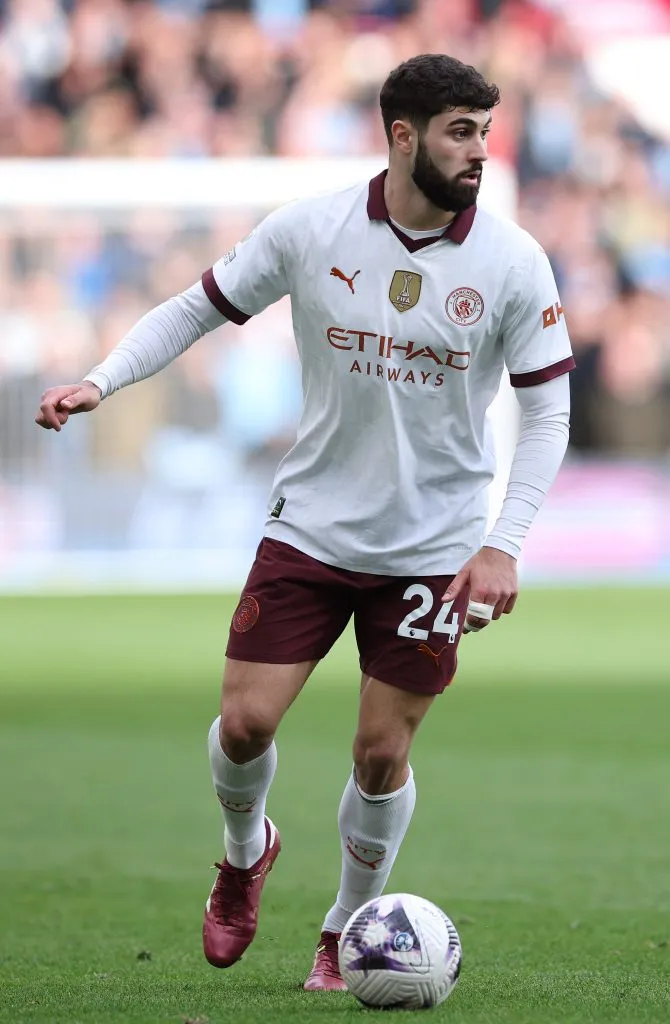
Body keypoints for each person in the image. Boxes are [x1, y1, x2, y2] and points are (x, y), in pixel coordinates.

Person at [36, 54, 574, 990]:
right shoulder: (311, 227)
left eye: (486, 129)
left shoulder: (514, 263)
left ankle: (344, 926)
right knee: (243, 727)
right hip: (313, 524)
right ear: (401, 135)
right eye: (460, 130)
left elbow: (549, 413)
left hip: (435, 545)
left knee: (380, 752)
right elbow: (195, 310)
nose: (480, 149)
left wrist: (503, 540)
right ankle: (246, 855)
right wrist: (103, 378)